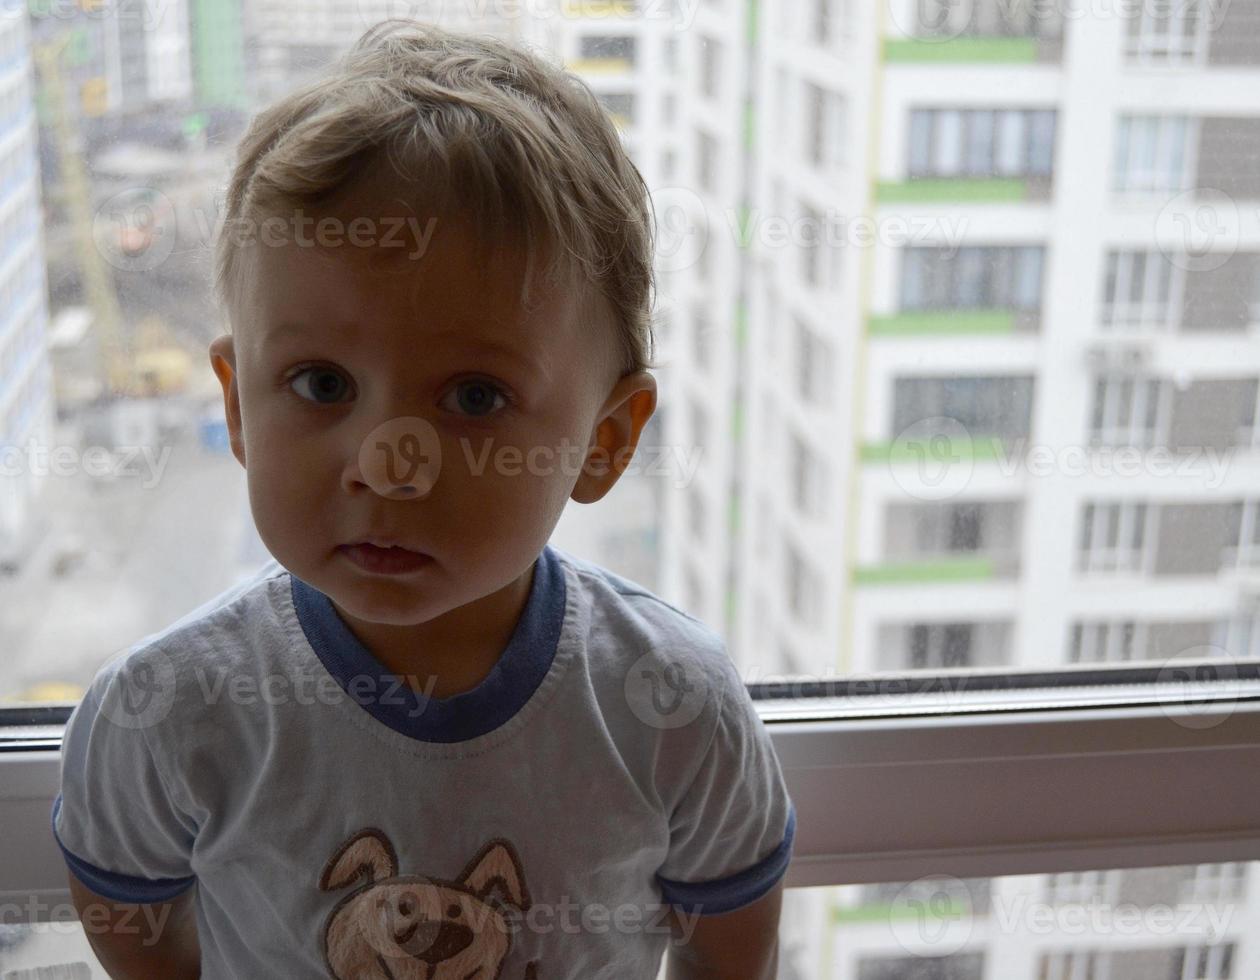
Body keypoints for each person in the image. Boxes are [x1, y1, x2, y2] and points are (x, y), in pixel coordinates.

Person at [51, 19, 795, 979]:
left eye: (477, 398)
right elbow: (124, 895)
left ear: (603, 442)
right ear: (239, 407)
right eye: (321, 384)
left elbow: (733, 945)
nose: (383, 464)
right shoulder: (168, 712)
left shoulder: (673, 710)